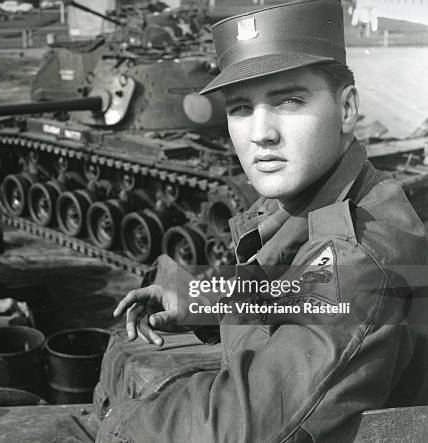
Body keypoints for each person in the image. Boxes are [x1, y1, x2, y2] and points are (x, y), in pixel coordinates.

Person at [96, 0, 428, 441]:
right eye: (240, 109)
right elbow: (297, 286)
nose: (261, 134)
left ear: (347, 110)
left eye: (288, 101)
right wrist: (200, 299)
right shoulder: (331, 201)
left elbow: (234, 429)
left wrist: (111, 418)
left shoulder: (359, 256)